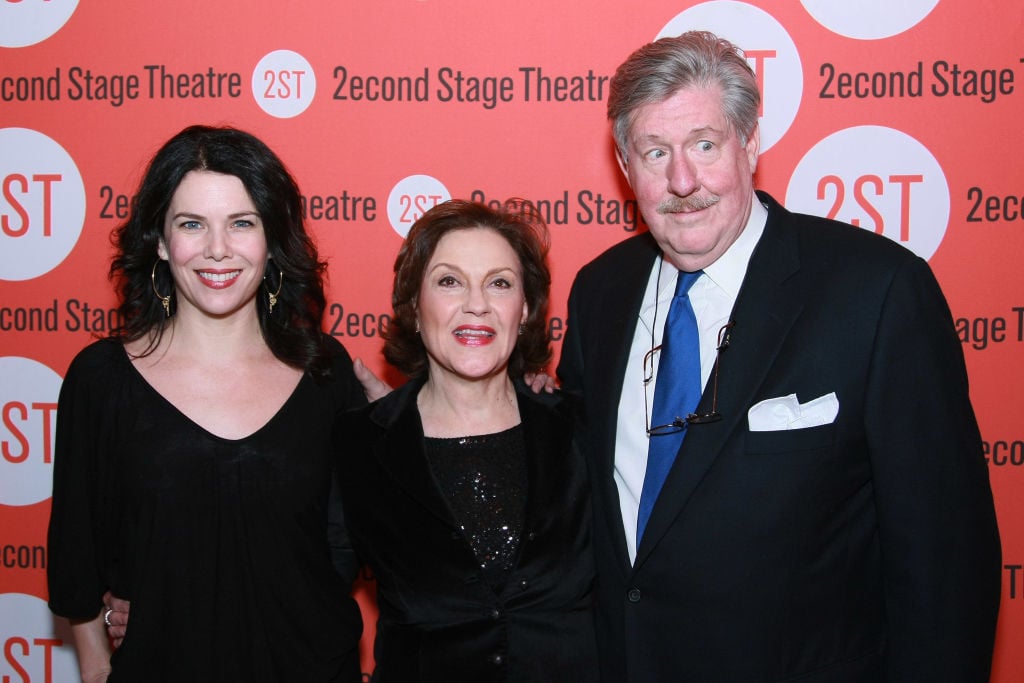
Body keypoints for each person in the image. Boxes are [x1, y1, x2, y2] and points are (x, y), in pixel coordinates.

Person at [556, 31, 1001, 681]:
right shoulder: (600, 291)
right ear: (626, 166)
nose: (683, 181)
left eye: (705, 145)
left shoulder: (876, 293)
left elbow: (946, 564)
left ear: (750, 144)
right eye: (656, 152)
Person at [47, 125, 369, 682]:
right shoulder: (101, 381)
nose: (217, 249)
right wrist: (99, 665)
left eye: (242, 223)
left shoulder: (326, 372)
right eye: (192, 224)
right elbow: (77, 560)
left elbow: (346, 546)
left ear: (271, 241)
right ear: (162, 241)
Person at [334, 199, 598, 682]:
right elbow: (311, 601)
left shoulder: (580, 430)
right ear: (414, 307)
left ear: (525, 311)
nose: (476, 304)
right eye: (449, 281)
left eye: (499, 283)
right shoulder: (359, 446)